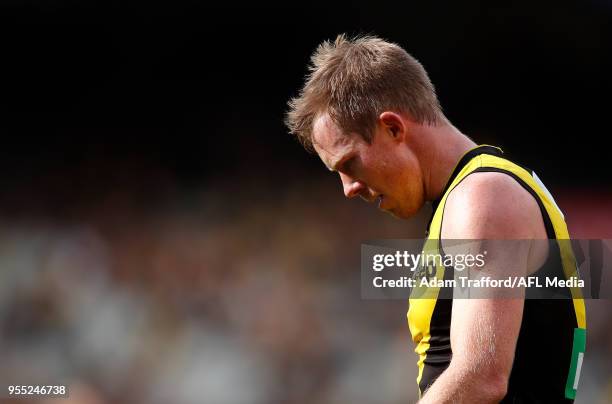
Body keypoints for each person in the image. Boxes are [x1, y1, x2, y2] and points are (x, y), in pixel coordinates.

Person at [285, 34, 586, 403]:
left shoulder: (483, 197)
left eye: (349, 163)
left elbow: (481, 376)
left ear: (393, 128)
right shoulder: (471, 197)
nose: (348, 188)